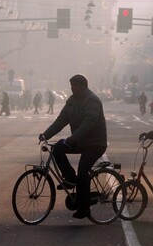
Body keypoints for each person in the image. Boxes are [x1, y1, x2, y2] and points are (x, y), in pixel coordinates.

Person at [39, 74, 107, 219]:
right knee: (57, 147)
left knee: (83, 170)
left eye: (75, 85)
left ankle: (84, 208)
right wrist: (46, 135)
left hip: (95, 143)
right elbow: (61, 120)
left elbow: (89, 124)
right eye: (71, 85)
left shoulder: (92, 100)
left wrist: (72, 139)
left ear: (83, 86)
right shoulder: (72, 100)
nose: (72, 88)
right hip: (80, 141)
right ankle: (70, 179)